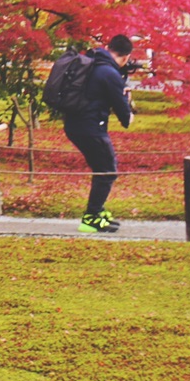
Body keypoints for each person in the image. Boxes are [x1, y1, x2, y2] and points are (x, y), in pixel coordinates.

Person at [64, 34, 135, 233]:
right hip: (90, 127)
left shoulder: (94, 63)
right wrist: (128, 115)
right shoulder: (109, 73)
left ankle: (97, 211)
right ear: (125, 57)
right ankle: (91, 217)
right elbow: (122, 111)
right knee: (107, 170)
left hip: (76, 125)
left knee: (102, 168)